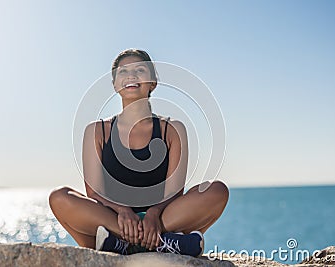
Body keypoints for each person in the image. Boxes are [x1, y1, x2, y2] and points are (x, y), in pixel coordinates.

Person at [49, 49, 229, 257]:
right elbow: (95, 193)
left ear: (153, 82)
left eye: (140, 70)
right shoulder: (97, 131)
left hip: (162, 219)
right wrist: (122, 211)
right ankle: (160, 243)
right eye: (123, 71)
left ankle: (123, 243)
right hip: (112, 219)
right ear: (116, 84)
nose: (131, 76)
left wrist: (153, 214)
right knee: (60, 197)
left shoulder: (172, 129)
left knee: (216, 191)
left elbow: (174, 192)